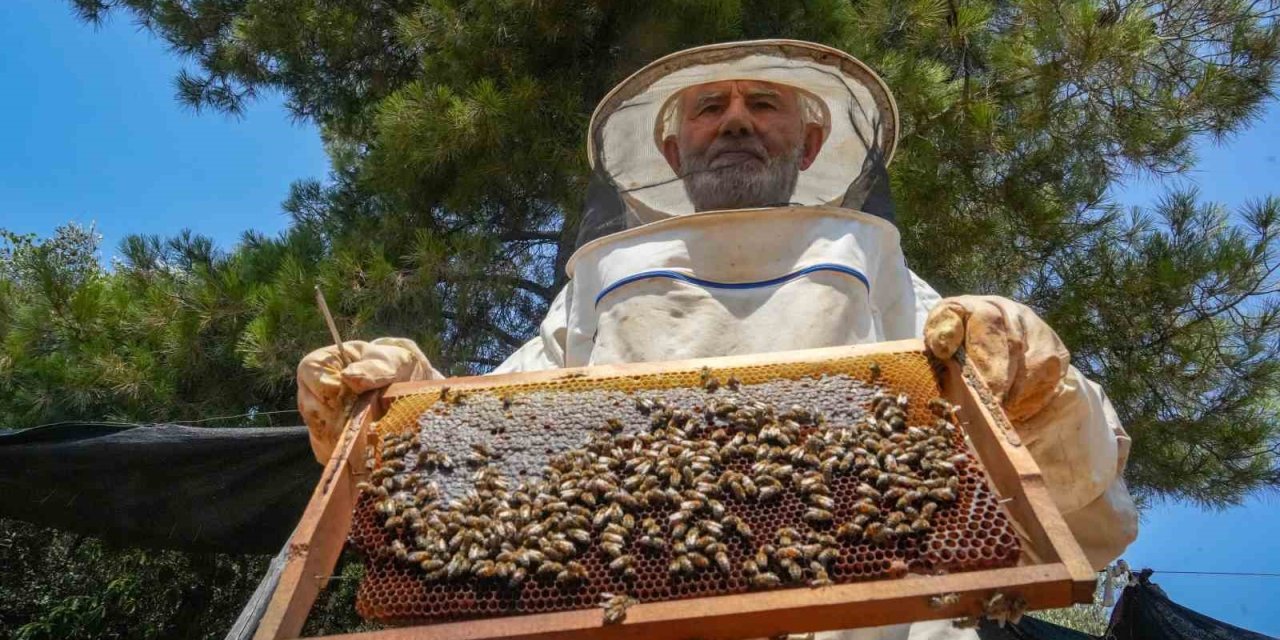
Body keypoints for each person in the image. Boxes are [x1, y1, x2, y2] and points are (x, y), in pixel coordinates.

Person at [296, 40, 1137, 639]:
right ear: (674, 146)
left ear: (810, 142)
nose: (736, 121)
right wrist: (399, 411)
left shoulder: (878, 272)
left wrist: (1036, 387)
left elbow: (1082, 499)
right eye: (710, 107)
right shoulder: (597, 287)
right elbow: (487, 450)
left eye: (763, 103)